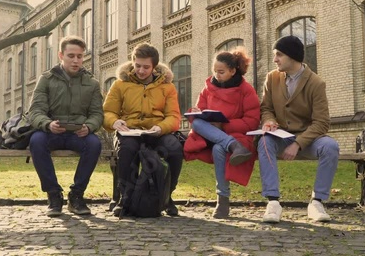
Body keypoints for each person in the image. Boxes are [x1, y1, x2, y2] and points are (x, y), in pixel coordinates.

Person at [258, 35, 339, 223]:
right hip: (279, 137)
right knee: (264, 141)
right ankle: (273, 203)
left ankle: (317, 202)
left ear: (292, 56)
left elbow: (321, 122)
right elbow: (266, 108)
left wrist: (298, 143)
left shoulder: (316, 83)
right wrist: (269, 121)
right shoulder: (271, 78)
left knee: (330, 147)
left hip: (308, 139)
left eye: (279, 54)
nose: (275, 59)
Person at [103, 43, 183, 217]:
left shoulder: (167, 87)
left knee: (175, 149)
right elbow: (108, 111)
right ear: (133, 63)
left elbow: (174, 116)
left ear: (154, 67)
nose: (141, 70)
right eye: (137, 65)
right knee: (128, 149)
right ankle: (125, 197)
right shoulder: (120, 84)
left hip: (157, 132)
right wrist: (114, 122)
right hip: (128, 131)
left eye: (146, 67)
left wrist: (161, 127)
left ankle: (166, 196)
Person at [27, 35, 103, 217]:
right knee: (36, 141)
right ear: (61, 55)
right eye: (71, 56)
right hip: (52, 132)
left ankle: (76, 195)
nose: (76, 60)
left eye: (80, 56)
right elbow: (35, 111)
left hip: (78, 134)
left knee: (94, 144)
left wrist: (89, 126)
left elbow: (97, 114)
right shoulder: (46, 79)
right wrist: (47, 124)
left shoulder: (91, 83)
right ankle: (53, 195)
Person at [183, 47, 260, 219]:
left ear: (233, 71)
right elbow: (200, 114)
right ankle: (233, 146)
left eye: (221, 72)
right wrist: (196, 111)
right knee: (198, 124)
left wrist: (224, 126)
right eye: (215, 71)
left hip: (237, 135)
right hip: (212, 134)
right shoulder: (207, 87)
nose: (217, 75)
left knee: (219, 149)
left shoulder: (246, 90)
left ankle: (222, 200)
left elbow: (252, 121)